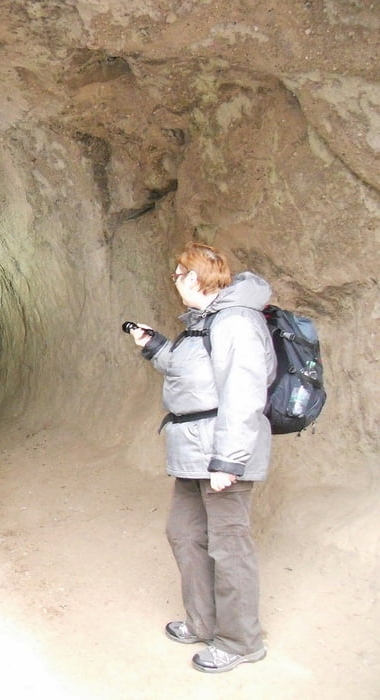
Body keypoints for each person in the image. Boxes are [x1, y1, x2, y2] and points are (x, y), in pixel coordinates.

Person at [128, 241, 276, 673]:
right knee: (185, 532)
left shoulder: (236, 322)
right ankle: (203, 621)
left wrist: (228, 462)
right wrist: (154, 345)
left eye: (177, 275)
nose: (174, 283)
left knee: (229, 547)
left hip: (220, 454)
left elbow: (243, 391)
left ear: (194, 278)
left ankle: (240, 641)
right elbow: (195, 377)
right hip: (194, 451)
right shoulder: (205, 323)